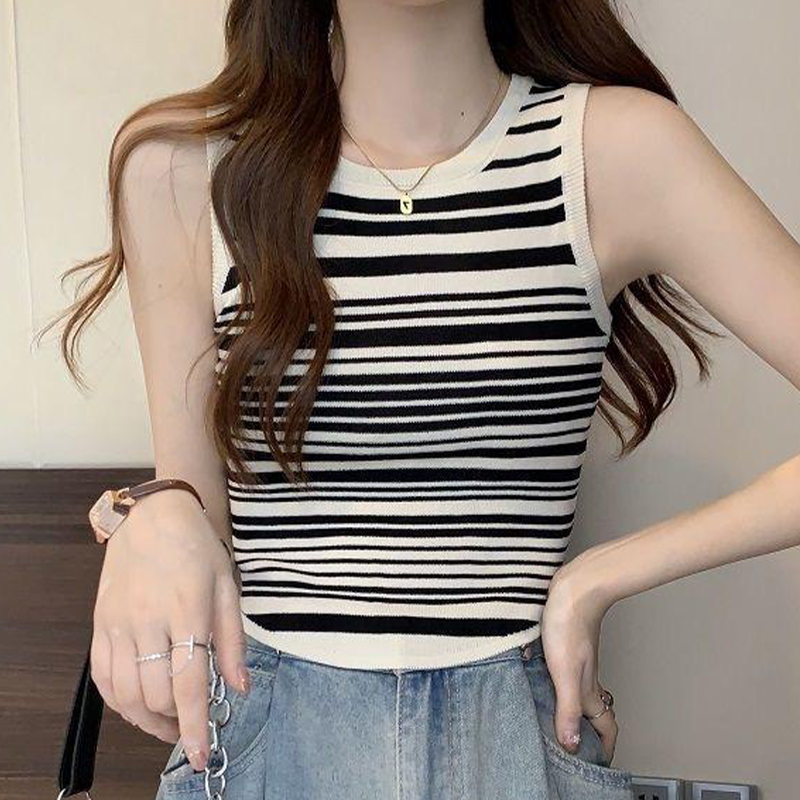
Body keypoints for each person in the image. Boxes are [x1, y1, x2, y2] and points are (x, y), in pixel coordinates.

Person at [39, 2, 800, 799]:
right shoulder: (182, 169)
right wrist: (149, 515)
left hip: (512, 740)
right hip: (263, 739)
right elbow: (193, 512)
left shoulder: (613, 153)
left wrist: (601, 575)